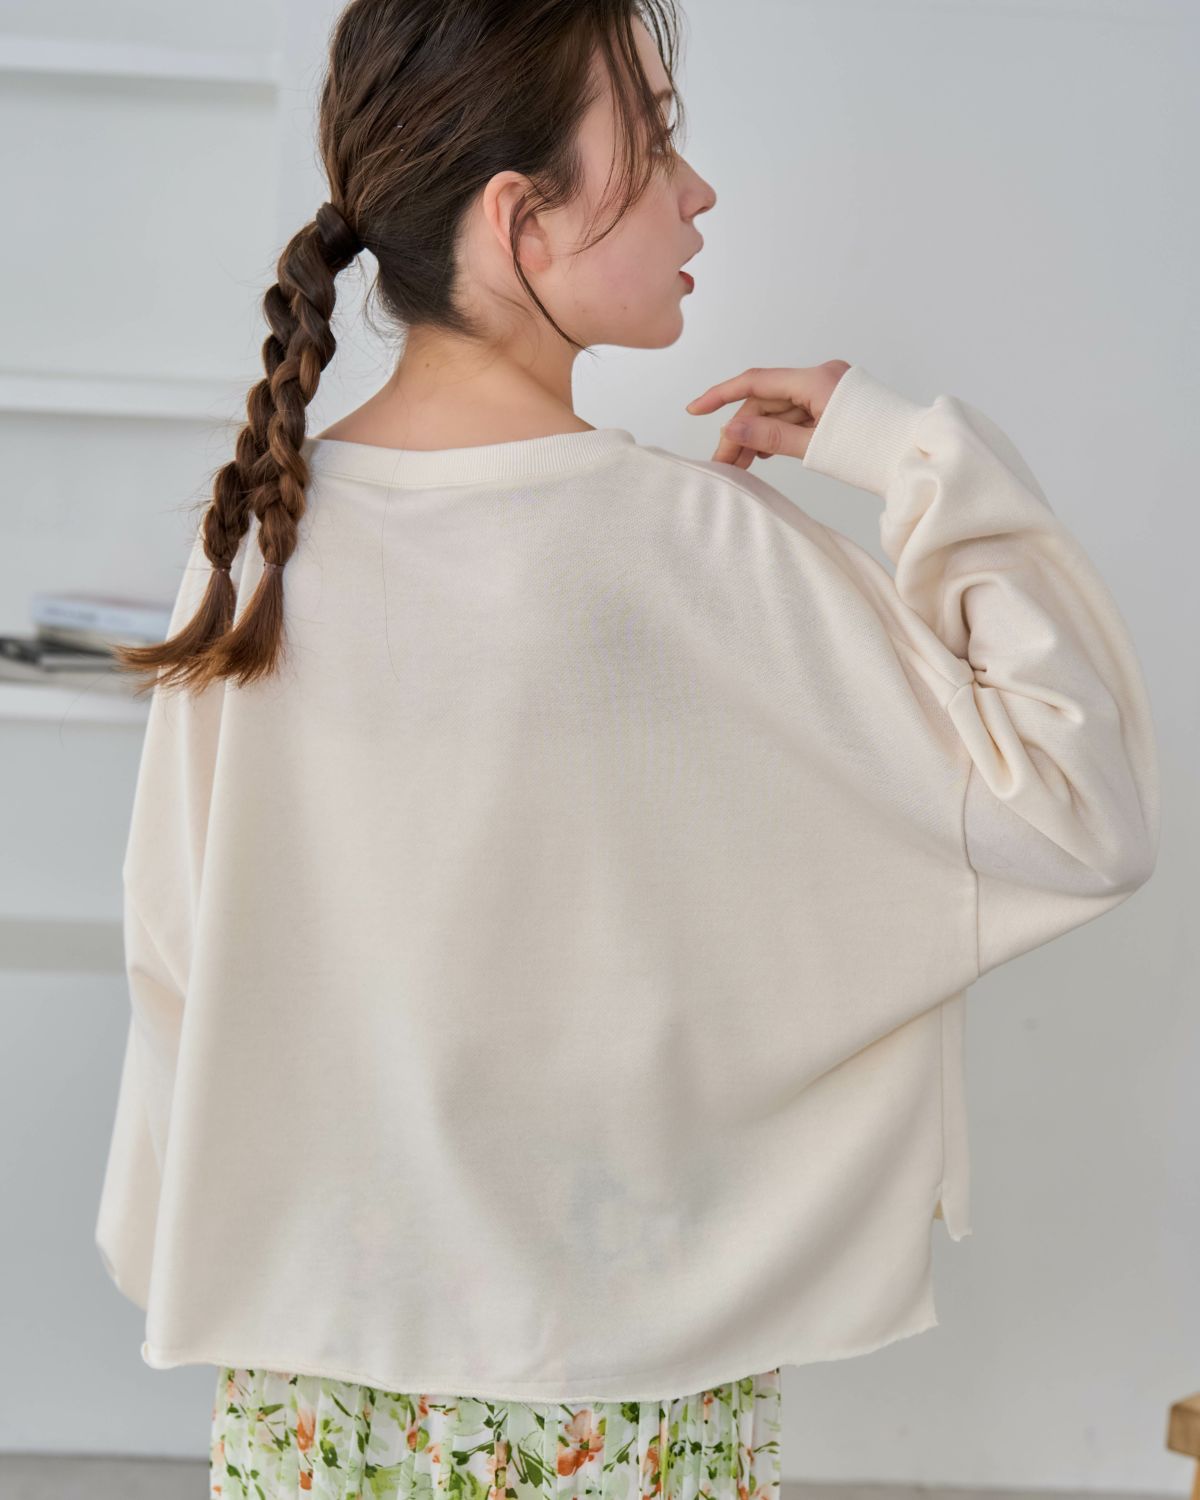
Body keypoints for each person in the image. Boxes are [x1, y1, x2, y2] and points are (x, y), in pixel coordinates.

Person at [92, 2, 1159, 1497]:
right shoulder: (696, 549)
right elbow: (1074, 810)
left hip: (314, 1381)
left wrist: (217, 1261)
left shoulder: (259, 553)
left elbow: (175, 974)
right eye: (653, 142)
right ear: (518, 220)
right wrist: (912, 455)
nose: (697, 190)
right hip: (628, 1388)